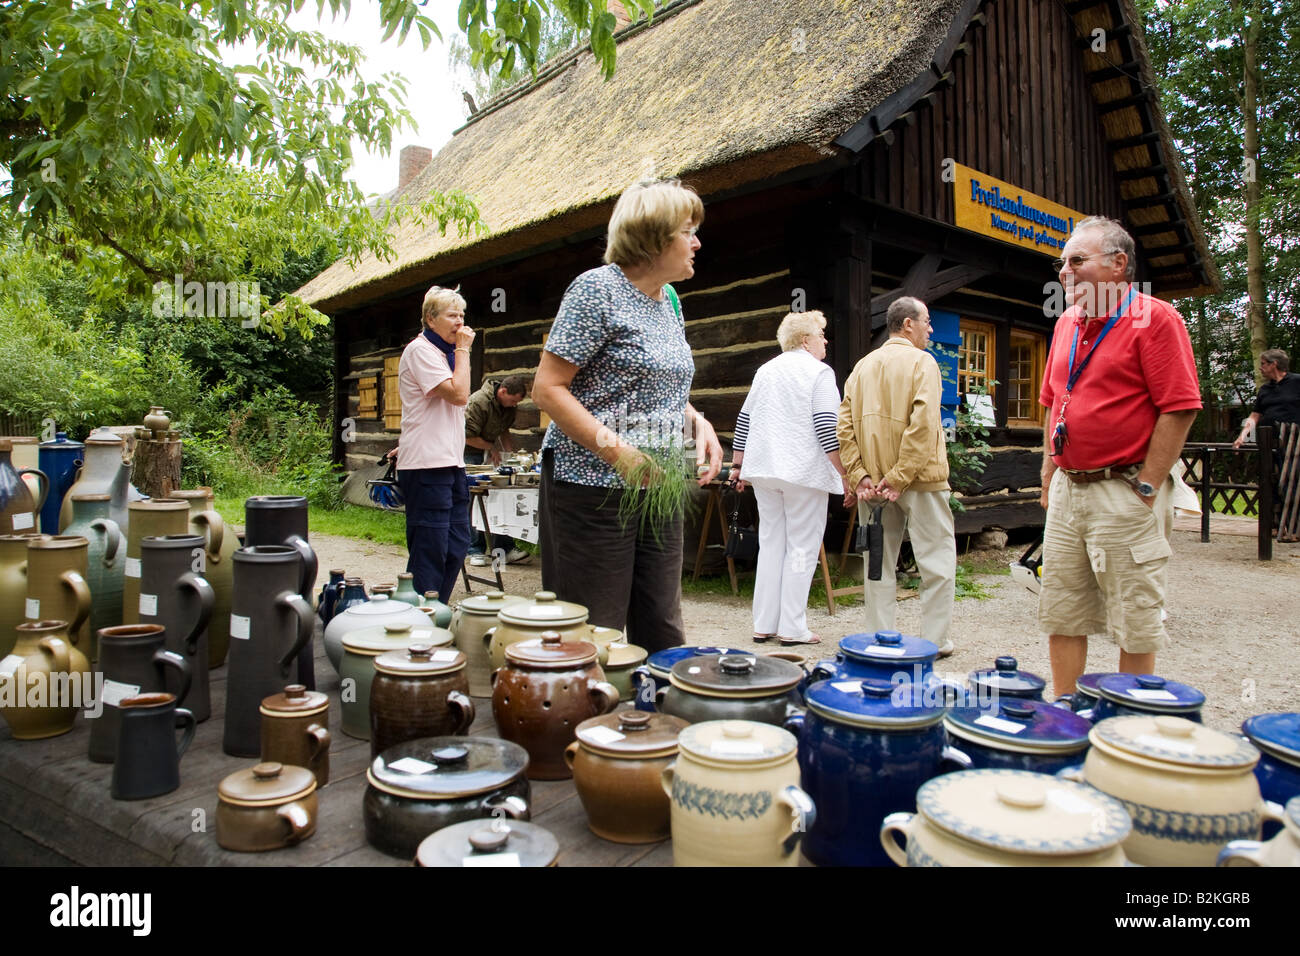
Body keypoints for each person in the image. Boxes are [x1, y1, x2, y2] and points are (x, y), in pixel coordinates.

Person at [532, 179, 723, 653]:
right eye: (688, 231)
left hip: (659, 482)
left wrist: (700, 424)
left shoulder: (671, 303)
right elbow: (547, 388)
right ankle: (586, 722)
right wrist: (618, 453)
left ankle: (657, 718)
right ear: (655, 238)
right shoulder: (597, 291)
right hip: (591, 486)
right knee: (594, 630)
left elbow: (664, 387)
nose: (697, 242)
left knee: (661, 620)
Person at [1038, 216, 1201, 700]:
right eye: (1062, 262)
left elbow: (1180, 405)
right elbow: (1053, 401)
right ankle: (1067, 714)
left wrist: (1148, 486)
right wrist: (1048, 475)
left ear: (1117, 265)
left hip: (1125, 487)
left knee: (1135, 617)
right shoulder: (1067, 322)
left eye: (1076, 261)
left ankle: (1125, 726)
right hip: (1070, 489)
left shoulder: (1157, 318)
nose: (1065, 271)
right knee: (1062, 610)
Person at [836, 296, 956, 656]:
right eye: (927, 322)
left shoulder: (861, 367)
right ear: (908, 324)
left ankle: (878, 638)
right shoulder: (924, 363)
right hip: (920, 481)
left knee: (878, 564)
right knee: (936, 562)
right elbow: (924, 425)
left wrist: (859, 475)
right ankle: (934, 642)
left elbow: (844, 427)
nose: (931, 329)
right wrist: (901, 476)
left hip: (874, 485)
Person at [730, 311, 854, 646]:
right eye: (821, 334)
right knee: (802, 547)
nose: (825, 340)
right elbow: (828, 426)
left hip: (765, 470)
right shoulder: (819, 372)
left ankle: (764, 624)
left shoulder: (765, 370)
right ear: (805, 340)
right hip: (803, 471)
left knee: (771, 544)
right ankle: (792, 627)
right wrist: (846, 473)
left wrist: (737, 465)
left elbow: (744, 419)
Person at [393, 285, 475, 605]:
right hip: (427, 466)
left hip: (451, 464)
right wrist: (465, 351)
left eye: (463, 315)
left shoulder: (447, 354)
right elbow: (459, 394)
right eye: (452, 315)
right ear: (431, 318)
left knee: (456, 544)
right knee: (431, 549)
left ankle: (434, 610)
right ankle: (418, 624)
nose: (460, 322)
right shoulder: (421, 350)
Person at [464, 375, 530, 566]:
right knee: (474, 499)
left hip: (488, 451)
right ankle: (474, 550)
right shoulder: (478, 402)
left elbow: (504, 431)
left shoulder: (507, 406)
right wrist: (491, 448)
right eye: (513, 400)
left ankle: (504, 550)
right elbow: (466, 436)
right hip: (468, 453)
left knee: (498, 499)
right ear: (502, 391)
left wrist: (511, 456)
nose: (514, 405)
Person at [1233, 349, 1300, 448]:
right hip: (1269, 443)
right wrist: (1242, 436)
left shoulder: (1297, 381)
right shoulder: (1265, 389)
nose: (1260, 368)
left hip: (1295, 443)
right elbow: (1255, 415)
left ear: (1273, 364)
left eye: (1263, 364)